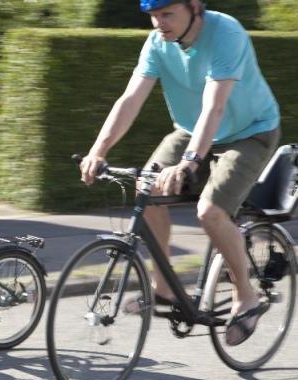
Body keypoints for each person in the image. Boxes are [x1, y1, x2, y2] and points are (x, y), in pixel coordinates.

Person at [79, 0, 280, 346]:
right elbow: (130, 100)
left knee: (211, 212)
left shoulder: (226, 33)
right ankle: (166, 288)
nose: (159, 22)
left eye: (167, 13)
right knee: (148, 189)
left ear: (195, 7)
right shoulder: (158, 43)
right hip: (191, 130)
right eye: (154, 16)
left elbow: (214, 106)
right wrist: (98, 150)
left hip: (250, 132)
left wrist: (189, 162)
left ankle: (245, 296)